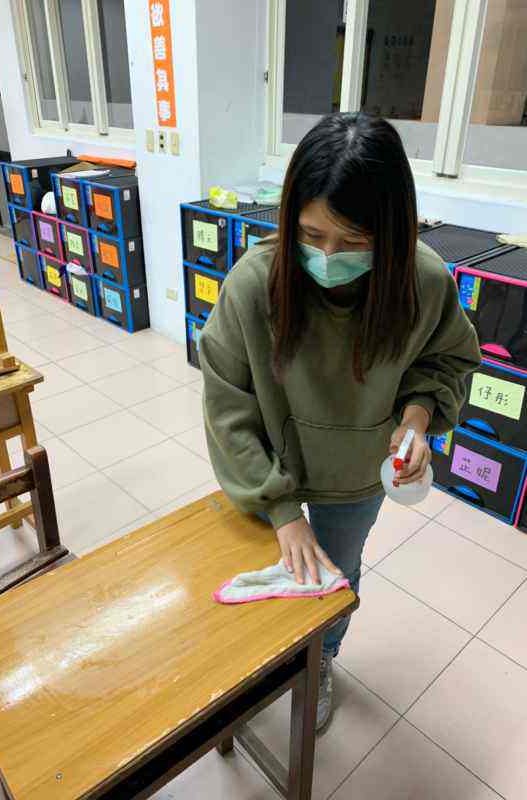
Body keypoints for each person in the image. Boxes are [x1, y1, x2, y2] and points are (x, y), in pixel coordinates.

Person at [199, 112, 481, 733]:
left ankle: (320, 659)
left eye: (354, 241)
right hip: (271, 464)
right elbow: (227, 405)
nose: (328, 256)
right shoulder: (253, 285)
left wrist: (416, 419)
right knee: (273, 574)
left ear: (392, 232)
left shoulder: (422, 281)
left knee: (337, 573)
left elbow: (445, 359)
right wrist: (280, 509)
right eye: (311, 234)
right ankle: (263, 663)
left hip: (356, 476)